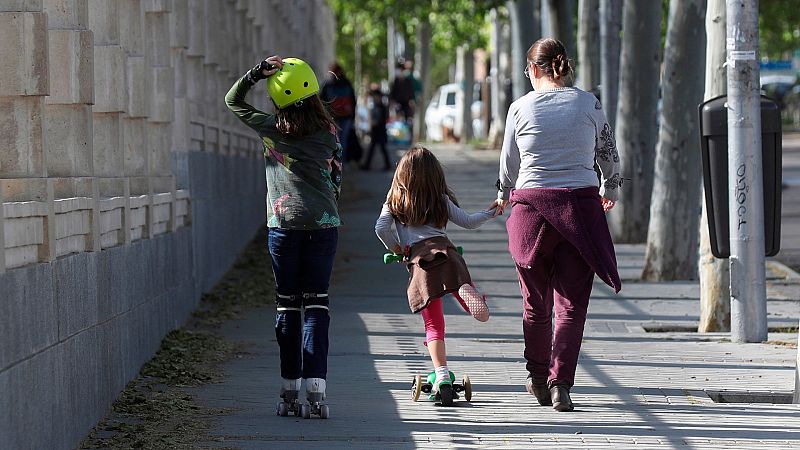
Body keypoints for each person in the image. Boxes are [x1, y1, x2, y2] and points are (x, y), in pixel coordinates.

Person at [493, 38, 622, 412]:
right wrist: (609, 185)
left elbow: (509, 163)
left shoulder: (519, 108)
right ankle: (560, 384)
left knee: (535, 304)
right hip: (579, 209)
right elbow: (608, 152)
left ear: (534, 69)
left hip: (531, 212)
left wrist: (503, 194)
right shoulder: (588, 103)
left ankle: (536, 377)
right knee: (571, 304)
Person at [225, 55, 342, 418]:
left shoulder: (271, 127)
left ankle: (290, 385)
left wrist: (255, 74)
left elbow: (233, 101)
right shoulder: (329, 132)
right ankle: (317, 387)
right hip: (323, 226)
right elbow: (337, 179)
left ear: (278, 98)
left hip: (283, 226)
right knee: (317, 305)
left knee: (288, 305)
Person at [375, 146, 497, 404]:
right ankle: (470, 295)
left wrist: (398, 249)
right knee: (459, 282)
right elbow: (468, 221)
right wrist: (490, 212)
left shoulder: (395, 201)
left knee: (434, 325)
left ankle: (441, 374)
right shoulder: (440, 198)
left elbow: (381, 227)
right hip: (447, 253)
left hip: (421, 263)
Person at [320, 62, 357, 162]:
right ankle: (341, 162)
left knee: (333, 140)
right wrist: (353, 117)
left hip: (333, 116)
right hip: (346, 116)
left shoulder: (328, 84)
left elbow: (321, 100)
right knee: (343, 140)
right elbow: (353, 101)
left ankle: (333, 162)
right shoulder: (347, 83)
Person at [360, 84, 391, 171]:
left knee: (381, 148)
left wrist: (374, 123)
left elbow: (381, 120)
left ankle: (385, 164)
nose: (374, 98)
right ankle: (367, 165)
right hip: (377, 131)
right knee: (374, 148)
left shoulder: (381, 107)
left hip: (380, 131)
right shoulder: (378, 106)